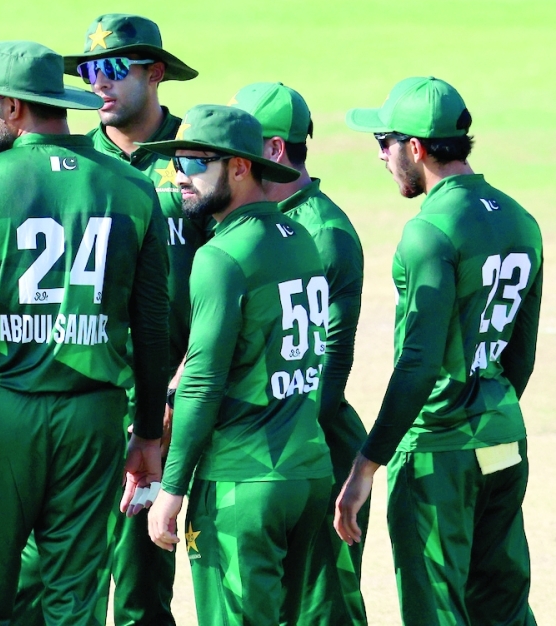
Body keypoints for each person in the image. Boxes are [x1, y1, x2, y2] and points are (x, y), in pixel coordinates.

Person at [0, 41, 170, 624]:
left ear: (14, 107)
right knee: (76, 600)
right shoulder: (132, 186)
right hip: (94, 418)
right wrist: (149, 434)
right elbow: (154, 326)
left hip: (0, 413)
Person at [13, 13, 201, 626]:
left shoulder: (197, 154)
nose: (99, 81)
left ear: (155, 73)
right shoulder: (73, 159)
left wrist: (174, 393)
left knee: (144, 586)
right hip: (82, 402)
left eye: (115, 68)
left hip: (166, 401)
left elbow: (231, 283)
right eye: (90, 69)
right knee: (59, 576)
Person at [336, 77, 542, 625]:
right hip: (503, 436)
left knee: (438, 613)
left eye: (384, 142)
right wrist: (487, 411)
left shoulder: (427, 232)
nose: (381, 156)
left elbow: (418, 364)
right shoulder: (521, 219)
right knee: (503, 609)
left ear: (416, 147)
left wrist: (367, 463)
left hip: (436, 451)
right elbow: (520, 357)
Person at [143, 105, 333, 625]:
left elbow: (203, 383)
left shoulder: (220, 257)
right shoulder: (300, 239)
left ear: (241, 167)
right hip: (306, 472)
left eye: (195, 163)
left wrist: (172, 489)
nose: (180, 176)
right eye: (177, 161)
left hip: (242, 482)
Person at [231, 81, 368, 624]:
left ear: (273, 149)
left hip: (313, 447)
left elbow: (333, 359)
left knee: (321, 612)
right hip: (267, 448)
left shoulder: (323, 233)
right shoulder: (250, 220)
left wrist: (288, 450)